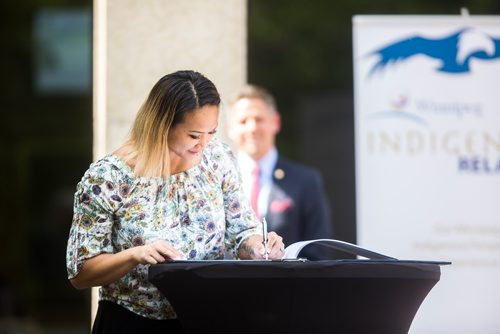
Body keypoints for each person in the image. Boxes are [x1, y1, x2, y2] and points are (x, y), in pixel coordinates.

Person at [66, 70, 285, 334]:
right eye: (194, 135)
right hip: (132, 323)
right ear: (162, 125)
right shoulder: (108, 178)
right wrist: (134, 255)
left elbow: (241, 232)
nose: (204, 144)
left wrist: (259, 246)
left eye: (211, 132)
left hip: (206, 318)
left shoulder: (219, 159)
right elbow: (81, 273)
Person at [227, 85, 332, 260]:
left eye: (259, 119)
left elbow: (318, 251)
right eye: (243, 121)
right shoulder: (217, 181)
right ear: (230, 128)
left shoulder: (305, 180)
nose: (252, 127)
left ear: (275, 122)